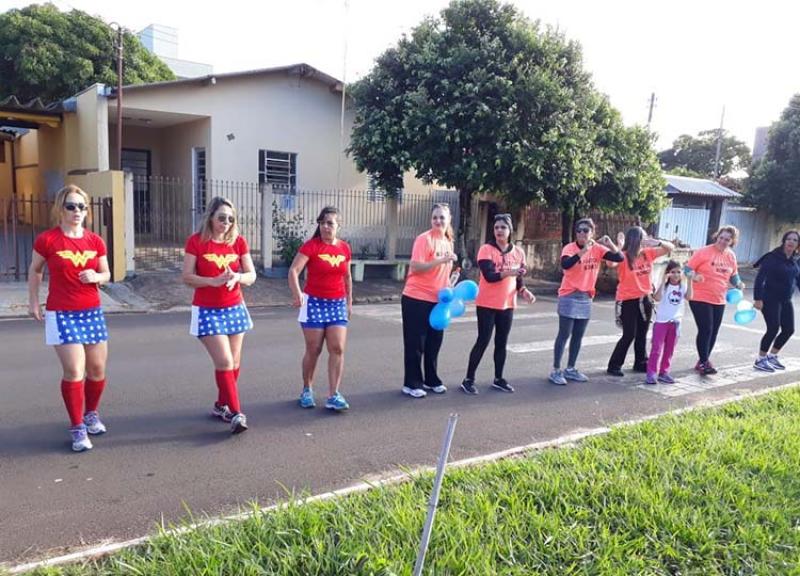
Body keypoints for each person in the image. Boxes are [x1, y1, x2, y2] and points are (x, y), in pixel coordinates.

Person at [28, 185, 111, 452]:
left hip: (92, 312)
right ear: (60, 209)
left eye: (82, 207)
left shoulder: (95, 241)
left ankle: (91, 414)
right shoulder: (48, 240)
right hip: (62, 312)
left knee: (97, 370)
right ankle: (77, 427)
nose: (77, 212)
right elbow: (36, 270)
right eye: (71, 206)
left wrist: (96, 277)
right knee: (75, 371)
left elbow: (106, 273)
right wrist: (33, 302)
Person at [182, 196, 256, 434]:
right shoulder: (197, 242)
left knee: (234, 363)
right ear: (211, 218)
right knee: (224, 361)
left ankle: (220, 405)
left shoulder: (238, 242)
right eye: (221, 218)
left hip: (235, 307)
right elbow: (187, 277)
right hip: (207, 310)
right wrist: (212, 282)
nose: (226, 222)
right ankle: (236, 413)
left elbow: (251, 274)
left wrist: (238, 277)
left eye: (230, 219)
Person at [461, 213, 535, 395]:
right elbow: (490, 276)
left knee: (502, 342)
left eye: (503, 227)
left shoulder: (518, 252)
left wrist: (524, 291)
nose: (499, 231)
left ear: (510, 231)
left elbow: (519, 278)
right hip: (487, 303)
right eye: (496, 228)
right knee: (483, 340)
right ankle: (468, 379)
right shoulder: (486, 249)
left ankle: (498, 378)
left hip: (507, 304)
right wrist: (511, 272)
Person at [289, 206, 352, 411]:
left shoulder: (344, 248)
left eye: (330, 223)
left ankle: (334, 394)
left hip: (337, 303)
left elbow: (347, 277)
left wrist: (349, 301)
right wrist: (297, 293)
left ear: (338, 226)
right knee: (314, 349)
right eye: (323, 223)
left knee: (337, 348)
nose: (326, 227)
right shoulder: (312, 246)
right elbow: (294, 271)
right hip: (314, 302)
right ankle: (307, 389)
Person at [549, 218, 623, 386]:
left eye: (585, 231)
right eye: (579, 230)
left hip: (586, 296)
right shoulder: (569, 248)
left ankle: (571, 368)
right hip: (569, 295)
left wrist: (610, 243)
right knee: (564, 334)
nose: (581, 233)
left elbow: (619, 258)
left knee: (578, 335)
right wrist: (583, 252)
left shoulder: (597, 249)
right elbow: (566, 265)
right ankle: (555, 370)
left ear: (592, 233)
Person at [401, 203, 457, 398]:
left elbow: (444, 274)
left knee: (435, 342)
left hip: (438, 301)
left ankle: (431, 379)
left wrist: (450, 284)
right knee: (416, 343)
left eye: (442, 217)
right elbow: (415, 267)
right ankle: (412, 383)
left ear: (449, 219)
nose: (438, 221)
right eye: (435, 217)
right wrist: (441, 261)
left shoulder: (448, 242)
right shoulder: (424, 239)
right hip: (416, 297)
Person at [606, 227, 674, 377]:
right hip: (627, 300)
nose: (644, 241)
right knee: (629, 334)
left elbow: (670, 248)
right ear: (635, 240)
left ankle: (640, 362)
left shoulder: (648, 254)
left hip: (645, 298)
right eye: (642, 238)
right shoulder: (622, 256)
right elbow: (611, 263)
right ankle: (614, 365)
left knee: (642, 333)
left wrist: (657, 241)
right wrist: (618, 245)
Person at [685, 225, 744, 375]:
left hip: (719, 298)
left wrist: (738, 283)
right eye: (721, 238)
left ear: (732, 241)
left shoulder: (731, 256)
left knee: (714, 332)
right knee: (706, 329)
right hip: (699, 296)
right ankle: (704, 362)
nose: (723, 241)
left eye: (727, 240)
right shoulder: (704, 252)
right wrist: (694, 276)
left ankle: (703, 360)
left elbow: (734, 274)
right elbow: (687, 268)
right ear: (717, 237)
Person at [752, 230, 800, 372]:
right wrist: (758, 298)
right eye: (789, 239)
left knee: (789, 330)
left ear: (798, 244)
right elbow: (760, 278)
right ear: (784, 241)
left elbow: (798, 280)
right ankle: (760, 359)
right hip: (769, 298)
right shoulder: (772, 257)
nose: (791, 242)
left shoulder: (794, 260)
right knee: (773, 328)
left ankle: (772, 356)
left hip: (786, 299)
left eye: (795, 240)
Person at [646, 260, 693, 385]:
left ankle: (664, 372)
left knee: (670, 349)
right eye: (673, 272)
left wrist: (689, 280)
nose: (676, 275)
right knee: (656, 348)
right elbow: (657, 298)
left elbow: (689, 297)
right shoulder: (665, 286)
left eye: (678, 272)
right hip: (662, 321)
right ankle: (651, 373)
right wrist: (663, 280)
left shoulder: (682, 286)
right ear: (668, 273)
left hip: (676, 321)